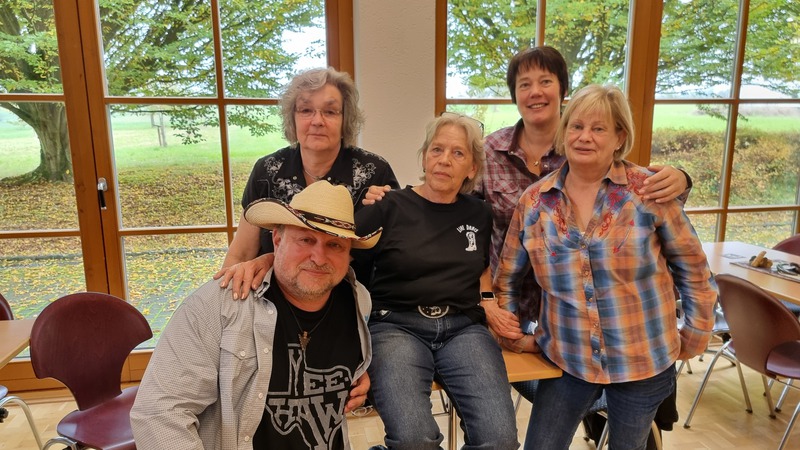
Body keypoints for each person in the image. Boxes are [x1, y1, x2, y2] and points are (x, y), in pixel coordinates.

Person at [493, 84, 717, 450]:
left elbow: (693, 269)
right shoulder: (534, 202)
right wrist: (513, 334)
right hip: (566, 359)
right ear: (564, 132)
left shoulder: (649, 193)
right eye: (576, 126)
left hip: (643, 360)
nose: (585, 137)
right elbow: (507, 279)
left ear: (619, 137)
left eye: (599, 129)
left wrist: (695, 333)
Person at [131, 181, 382, 449]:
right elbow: (159, 413)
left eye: (335, 245)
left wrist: (360, 375)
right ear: (277, 240)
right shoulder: (217, 306)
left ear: (349, 253)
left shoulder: (359, 302)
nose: (319, 258)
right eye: (306, 240)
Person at [354, 113, 518, 450]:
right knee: (415, 441)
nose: (444, 160)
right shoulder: (388, 205)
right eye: (437, 149)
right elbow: (344, 260)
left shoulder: (479, 213)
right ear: (425, 157)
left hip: (463, 328)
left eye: (458, 153)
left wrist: (488, 302)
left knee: (499, 440)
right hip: (397, 326)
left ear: (472, 168)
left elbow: (481, 266)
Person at [218, 66, 399, 300]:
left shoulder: (375, 172)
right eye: (306, 110)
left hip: (351, 301)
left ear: (345, 120)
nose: (317, 121)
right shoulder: (267, 170)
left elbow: (392, 256)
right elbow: (241, 253)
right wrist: (222, 301)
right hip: (273, 300)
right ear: (292, 118)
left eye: (330, 112)